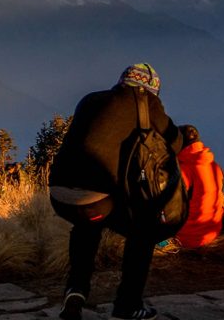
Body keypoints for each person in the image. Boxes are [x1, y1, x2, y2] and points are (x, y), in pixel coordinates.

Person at [48, 64, 182, 320]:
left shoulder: (90, 100)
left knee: (86, 226)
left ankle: (76, 290)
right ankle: (128, 305)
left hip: (60, 194)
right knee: (142, 231)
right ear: (150, 89)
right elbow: (172, 142)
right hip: (99, 199)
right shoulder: (146, 103)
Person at [174, 125, 224, 249]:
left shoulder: (184, 170)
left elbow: (171, 204)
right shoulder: (215, 167)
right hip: (213, 232)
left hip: (187, 238)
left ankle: (162, 244)